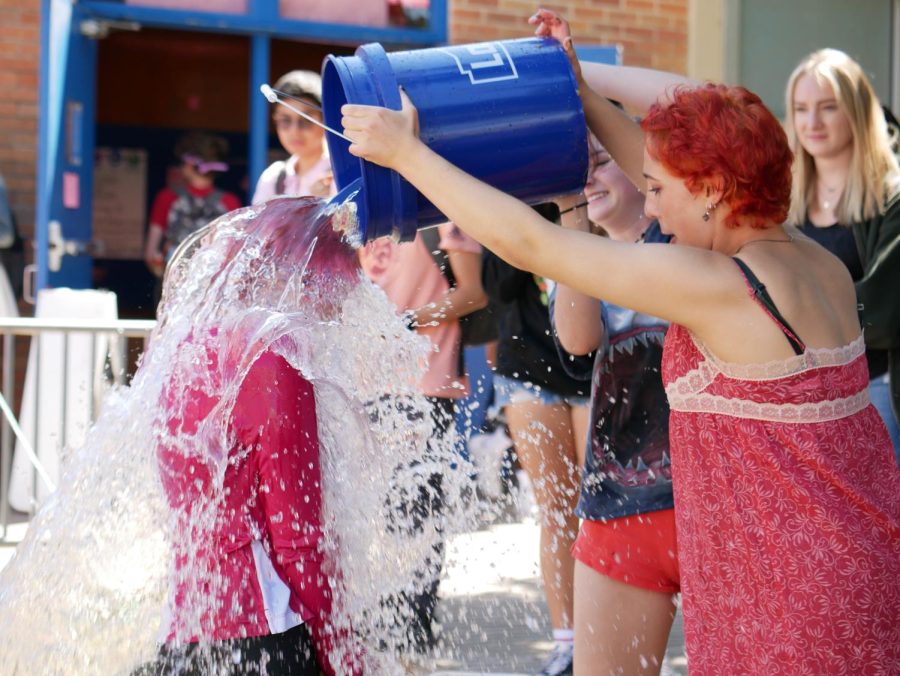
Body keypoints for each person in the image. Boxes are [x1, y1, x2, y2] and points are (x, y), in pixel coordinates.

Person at [339, 9, 900, 673]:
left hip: (787, 591)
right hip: (850, 560)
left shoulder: (723, 285)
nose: (650, 205)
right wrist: (578, 91)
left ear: (715, 191)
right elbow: (699, 117)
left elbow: (534, 242)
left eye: (658, 190)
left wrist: (408, 154)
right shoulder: (813, 260)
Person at [150, 200, 362, 676]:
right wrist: (342, 653)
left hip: (185, 632)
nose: (338, 316)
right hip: (264, 635)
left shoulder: (184, 351)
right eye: (336, 295)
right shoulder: (275, 365)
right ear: (302, 279)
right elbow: (296, 541)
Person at [551, 135, 677, 675]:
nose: (587, 178)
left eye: (601, 163)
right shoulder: (579, 255)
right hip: (618, 506)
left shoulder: (683, 240)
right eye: (576, 168)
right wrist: (570, 215)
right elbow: (578, 340)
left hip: (708, 505)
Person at [358, 222, 486, 660]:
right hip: (361, 385)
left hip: (426, 384)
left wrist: (403, 323)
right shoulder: (357, 209)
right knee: (366, 515)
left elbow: (472, 294)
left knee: (417, 515)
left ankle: (412, 632)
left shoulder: (444, 213)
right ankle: (373, 628)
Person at [480, 204, 590, 676]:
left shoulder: (594, 193)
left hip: (595, 362)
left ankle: (604, 636)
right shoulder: (510, 197)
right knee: (556, 507)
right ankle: (566, 643)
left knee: (601, 509)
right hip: (528, 365)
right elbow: (495, 288)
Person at [784, 48, 900, 458]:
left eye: (828, 108)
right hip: (799, 391)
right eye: (801, 109)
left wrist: (792, 309)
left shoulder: (892, 197)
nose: (811, 122)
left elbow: (885, 310)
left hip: (875, 389)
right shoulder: (782, 200)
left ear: (855, 110)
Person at [143, 131, 241, 282]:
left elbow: (151, 253)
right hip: (213, 288)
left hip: (174, 285)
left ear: (189, 164)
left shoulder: (167, 198)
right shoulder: (230, 202)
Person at [252, 70, 334, 204]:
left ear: (325, 120)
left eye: (306, 120)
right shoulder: (273, 178)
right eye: (285, 120)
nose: (294, 131)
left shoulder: (342, 176)